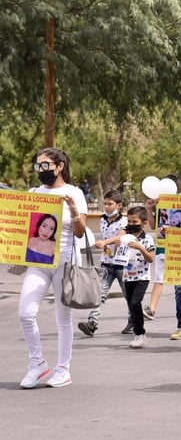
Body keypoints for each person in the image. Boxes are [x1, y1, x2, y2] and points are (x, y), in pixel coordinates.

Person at [18, 148, 88, 389]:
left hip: (66, 262)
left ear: (59, 166)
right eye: (38, 166)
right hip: (38, 261)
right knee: (25, 313)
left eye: (46, 165)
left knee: (63, 318)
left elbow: (80, 232)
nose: (41, 170)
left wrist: (73, 210)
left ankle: (63, 369)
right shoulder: (34, 193)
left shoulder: (74, 193)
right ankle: (37, 363)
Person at [143, 169, 181, 340]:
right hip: (172, 248)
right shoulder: (172, 200)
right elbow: (155, 225)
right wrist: (154, 208)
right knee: (179, 286)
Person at [78, 190, 129, 337]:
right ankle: (92, 322)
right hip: (106, 262)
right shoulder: (102, 219)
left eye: (110, 204)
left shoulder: (124, 221)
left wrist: (104, 242)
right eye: (105, 203)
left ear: (119, 205)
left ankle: (134, 320)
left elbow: (120, 236)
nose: (106, 206)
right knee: (100, 293)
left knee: (128, 295)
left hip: (121, 263)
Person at [121, 207, 156, 348]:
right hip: (127, 277)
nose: (131, 224)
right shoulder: (125, 237)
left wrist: (140, 247)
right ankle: (137, 335)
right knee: (131, 306)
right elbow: (119, 255)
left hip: (142, 278)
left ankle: (140, 334)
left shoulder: (147, 239)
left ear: (144, 223)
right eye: (129, 221)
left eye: (134, 221)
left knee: (136, 303)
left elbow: (150, 258)